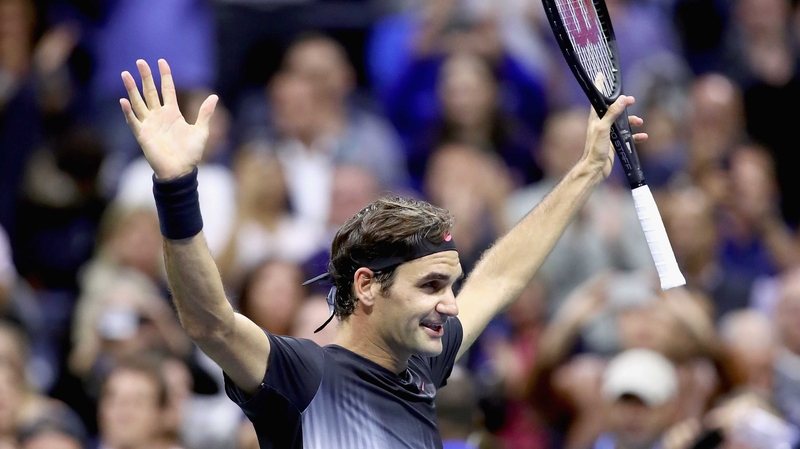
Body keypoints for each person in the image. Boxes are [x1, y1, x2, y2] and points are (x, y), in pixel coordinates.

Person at [118, 58, 645, 448]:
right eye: (431, 286)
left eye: (447, 285)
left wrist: (586, 171)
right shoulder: (303, 375)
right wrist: (176, 186)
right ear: (368, 286)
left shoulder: (421, 363)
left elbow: (501, 277)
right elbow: (210, 323)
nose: (453, 304)